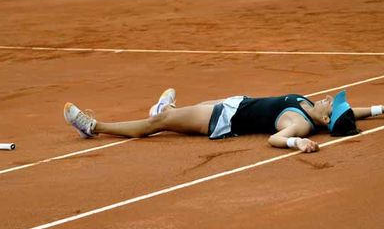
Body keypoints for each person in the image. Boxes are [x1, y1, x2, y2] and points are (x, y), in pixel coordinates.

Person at [63, 89, 383, 153]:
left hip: (222, 119)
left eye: (332, 104)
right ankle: (165, 108)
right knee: (172, 114)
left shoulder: (300, 122)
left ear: (326, 119)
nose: (331, 98)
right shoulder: (317, 109)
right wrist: (380, 109)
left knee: (157, 125)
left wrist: (296, 141)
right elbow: (354, 113)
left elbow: (274, 139)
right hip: (234, 103)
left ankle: (94, 127)